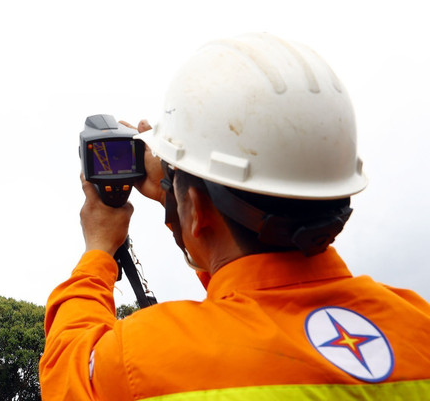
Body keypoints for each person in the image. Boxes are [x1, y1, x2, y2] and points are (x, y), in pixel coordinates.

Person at [39, 33, 430, 399]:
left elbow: (68, 369)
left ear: (197, 210)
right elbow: (251, 292)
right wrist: (185, 199)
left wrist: (98, 251)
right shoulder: (417, 323)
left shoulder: (141, 359)